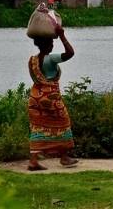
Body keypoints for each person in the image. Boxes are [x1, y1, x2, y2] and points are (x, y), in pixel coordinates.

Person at [27, 26, 78, 171]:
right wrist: (62, 35)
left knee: (38, 127)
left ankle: (33, 161)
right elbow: (70, 53)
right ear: (48, 45)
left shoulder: (33, 60)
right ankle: (64, 157)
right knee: (63, 123)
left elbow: (35, 79)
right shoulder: (51, 59)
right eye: (51, 44)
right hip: (51, 99)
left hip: (35, 98)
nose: (52, 46)